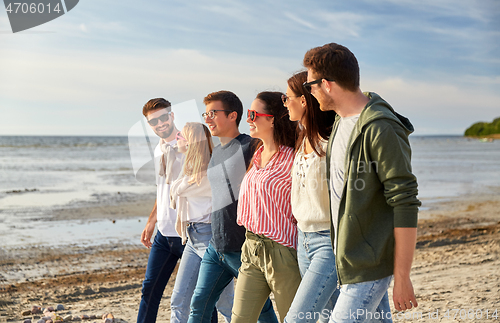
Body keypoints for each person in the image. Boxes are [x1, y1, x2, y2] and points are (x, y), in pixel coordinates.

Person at [302, 43, 421, 323]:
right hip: (346, 258)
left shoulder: (381, 128)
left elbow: (404, 200)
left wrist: (402, 276)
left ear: (327, 84)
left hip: (368, 263)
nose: (310, 93)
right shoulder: (341, 123)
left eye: (311, 86)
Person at [188, 91, 278, 323]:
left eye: (213, 113)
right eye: (205, 113)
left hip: (242, 248)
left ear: (232, 116)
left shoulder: (251, 145)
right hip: (215, 246)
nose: (207, 119)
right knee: (199, 304)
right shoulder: (216, 152)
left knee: (261, 308)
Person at [231, 91, 301, 323]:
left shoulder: (294, 159)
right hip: (250, 248)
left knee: (293, 320)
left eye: (253, 114)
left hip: (282, 253)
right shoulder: (257, 154)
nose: (248, 119)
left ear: (271, 119)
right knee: (240, 319)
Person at [281, 72, 338, 323]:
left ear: (304, 101)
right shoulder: (303, 136)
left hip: (328, 242)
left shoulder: (331, 142)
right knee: (327, 316)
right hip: (303, 240)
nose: (285, 103)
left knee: (298, 318)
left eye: (287, 98)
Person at [169, 123, 233, 323]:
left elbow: (177, 190)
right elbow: (176, 190)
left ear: (191, 142)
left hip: (211, 239)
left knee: (226, 304)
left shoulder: (209, 173)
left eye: (180, 135)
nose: (176, 138)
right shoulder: (190, 170)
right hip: (192, 237)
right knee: (179, 300)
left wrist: (180, 183)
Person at [137, 98, 185, 323]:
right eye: (153, 121)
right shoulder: (159, 148)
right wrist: (151, 221)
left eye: (163, 117)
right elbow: (161, 189)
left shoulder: (188, 144)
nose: (160, 124)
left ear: (172, 116)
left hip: (188, 235)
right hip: (164, 236)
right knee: (149, 290)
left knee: (198, 297)